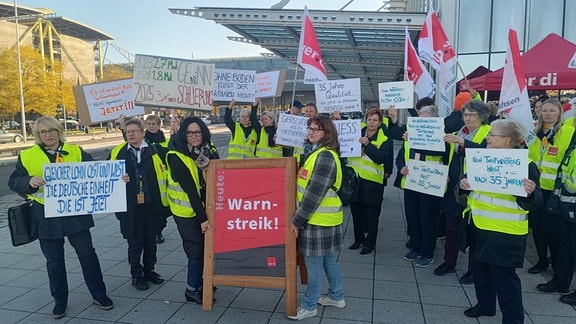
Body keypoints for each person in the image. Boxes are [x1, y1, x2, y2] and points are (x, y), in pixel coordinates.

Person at [8, 116, 114, 319]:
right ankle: (60, 301)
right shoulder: (28, 155)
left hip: (75, 214)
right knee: (54, 261)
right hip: (45, 216)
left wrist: (117, 177)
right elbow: (14, 182)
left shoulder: (75, 151)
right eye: (43, 132)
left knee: (87, 255)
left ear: (59, 131)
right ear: (38, 135)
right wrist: (29, 180)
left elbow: (97, 173)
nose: (48, 135)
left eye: (51, 130)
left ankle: (99, 294)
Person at [458, 119, 542, 323]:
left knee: (505, 281)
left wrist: (530, 194)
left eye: (492, 134)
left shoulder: (526, 165)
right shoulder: (481, 159)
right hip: (479, 227)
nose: (487, 137)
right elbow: (463, 194)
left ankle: (513, 320)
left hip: (507, 233)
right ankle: (485, 306)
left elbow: (536, 202)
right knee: (480, 272)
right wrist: (462, 186)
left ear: (507, 140)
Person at [288, 115, 346, 321]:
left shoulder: (325, 156)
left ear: (327, 133)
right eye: (310, 128)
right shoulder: (317, 153)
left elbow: (313, 194)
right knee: (328, 260)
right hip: (323, 219)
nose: (311, 131)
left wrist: (297, 220)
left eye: (316, 129)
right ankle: (337, 296)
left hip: (317, 220)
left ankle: (309, 305)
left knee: (314, 266)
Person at [108, 117, 170, 291]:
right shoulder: (118, 152)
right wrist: (117, 178)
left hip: (151, 205)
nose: (131, 135)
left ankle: (150, 270)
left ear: (143, 133)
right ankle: (137, 275)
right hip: (130, 207)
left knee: (150, 241)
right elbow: (103, 174)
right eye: (128, 132)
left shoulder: (154, 150)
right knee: (135, 243)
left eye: (134, 131)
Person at [434, 101, 492, 282]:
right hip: (455, 188)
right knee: (451, 227)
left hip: (475, 188)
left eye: (471, 115)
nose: (467, 118)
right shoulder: (460, 131)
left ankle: (473, 270)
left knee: (472, 232)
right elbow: (452, 158)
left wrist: (462, 142)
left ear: (482, 117)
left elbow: (485, 153)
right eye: (465, 114)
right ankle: (449, 262)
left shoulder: (489, 132)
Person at [166, 117, 218, 304]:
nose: (193, 136)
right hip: (187, 212)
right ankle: (191, 289)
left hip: (206, 208)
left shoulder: (206, 150)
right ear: (183, 134)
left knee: (207, 248)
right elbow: (190, 190)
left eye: (197, 132)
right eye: (189, 132)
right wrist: (203, 218)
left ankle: (204, 281)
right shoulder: (176, 155)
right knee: (195, 251)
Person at [396, 105, 453, 268]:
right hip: (412, 182)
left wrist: (416, 139)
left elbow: (443, 154)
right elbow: (401, 156)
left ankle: (427, 252)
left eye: (424, 119)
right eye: (419, 119)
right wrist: (401, 167)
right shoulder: (411, 137)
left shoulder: (441, 138)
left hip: (431, 184)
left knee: (428, 219)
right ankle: (415, 247)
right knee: (412, 217)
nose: (421, 122)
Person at [531, 99, 576, 294]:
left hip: (555, 191)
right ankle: (542, 261)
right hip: (536, 187)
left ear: (560, 113)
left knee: (556, 235)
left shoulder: (567, 132)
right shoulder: (534, 132)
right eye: (544, 110)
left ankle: (560, 275)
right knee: (538, 229)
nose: (547, 113)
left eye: (552, 110)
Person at [347, 108, 392, 255]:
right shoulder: (356, 131)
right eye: (369, 119)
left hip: (373, 183)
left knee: (372, 216)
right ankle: (358, 239)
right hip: (356, 180)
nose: (371, 122)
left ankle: (370, 244)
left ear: (379, 123)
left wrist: (367, 146)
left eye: (375, 120)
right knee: (356, 213)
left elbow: (381, 158)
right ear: (365, 119)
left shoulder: (384, 137)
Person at [144, 114, 171, 244]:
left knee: (163, 211)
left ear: (159, 125)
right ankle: (152, 233)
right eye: (149, 124)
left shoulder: (164, 140)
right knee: (149, 208)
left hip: (162, 180)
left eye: (153, 124)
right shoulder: (142, 140)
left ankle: (159, 230)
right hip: (147, 180)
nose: (151, 126)